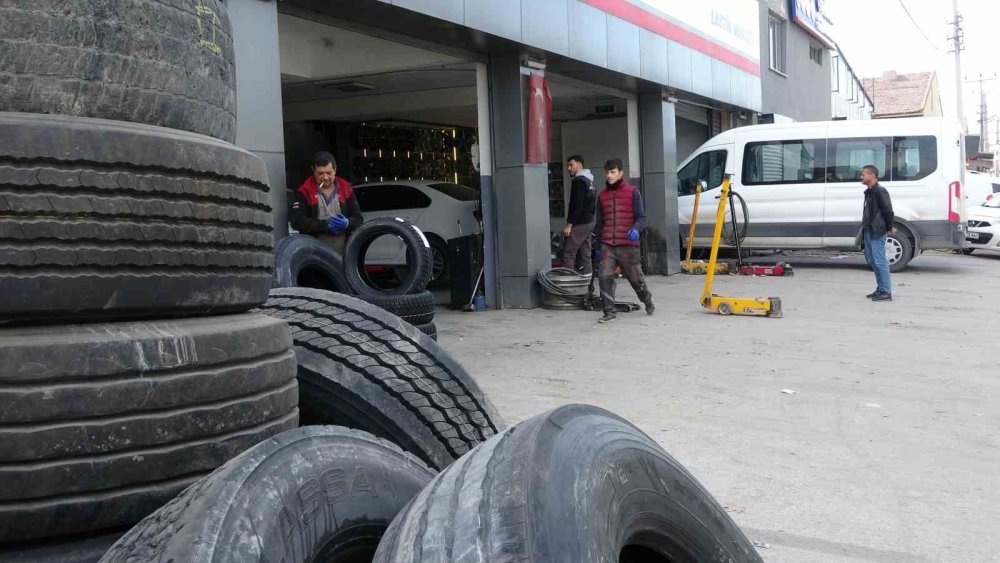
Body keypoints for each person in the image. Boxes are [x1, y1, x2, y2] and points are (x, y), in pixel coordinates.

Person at [591, 158, 654, 323]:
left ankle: (647, 299)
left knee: (635, 279)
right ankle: (609, 311)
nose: (609, 175)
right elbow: (599, 224)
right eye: (607, 172)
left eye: (613, 172)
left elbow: (642, 218)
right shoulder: (602, 196)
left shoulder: (633, 192)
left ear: (621, 173)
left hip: (627, 245)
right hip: (607, 245)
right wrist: (597, 247)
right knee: (604, 276)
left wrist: (635, 229)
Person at [289, 151, 363, 253]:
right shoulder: (304, 191)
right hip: (313, 254)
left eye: (329, 173)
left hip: (343, 253)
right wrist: (324, 225)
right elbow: (297, 221)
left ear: (335, 169)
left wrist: (347, 223)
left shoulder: (346, 189)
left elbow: (358, 218)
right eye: (320, 173)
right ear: (313, 170)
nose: (325, 177)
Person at [860, 164, 894, 301]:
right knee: (873, 260)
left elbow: (888, 211)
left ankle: (886, 291)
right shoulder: (869, 192)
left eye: (863, 174)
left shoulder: (880, 191)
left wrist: (889, 226)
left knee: (880, 261)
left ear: (872, 175)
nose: (861, 177)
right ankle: (880, 288)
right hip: (869, 229)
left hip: (877, 230)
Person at [561, 155, 597, 274]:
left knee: (568, 254)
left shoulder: (579, 181)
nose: (568, 168)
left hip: (580, 223)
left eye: (571, 165)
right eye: (568, 165)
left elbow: (577, 204)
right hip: (589, 221)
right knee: (585, 255)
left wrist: (569, 224)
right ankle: (587, 288)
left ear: (579, 164)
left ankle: (569, 288)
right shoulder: (589, 180)